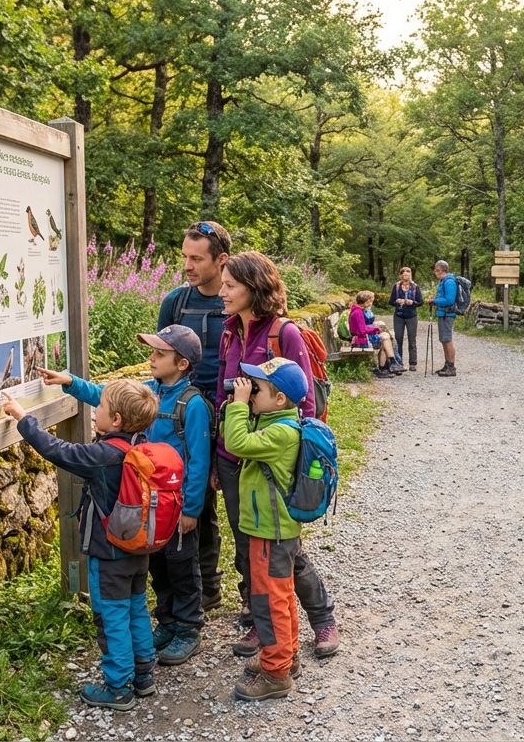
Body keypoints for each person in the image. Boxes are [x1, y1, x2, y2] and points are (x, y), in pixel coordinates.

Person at [34, 325, 211, 667]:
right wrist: (70, 382)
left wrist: (191, 509)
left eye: (160, 353)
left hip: (175, 506)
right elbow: (107, 395)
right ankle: (168, 621)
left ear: (182, 364)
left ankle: (189, 628)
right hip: (144, 505)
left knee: (181, 567)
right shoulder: (148, 392)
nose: (152, 358)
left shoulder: (193, 405)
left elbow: (199, 461)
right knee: (156, 564)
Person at [2, 380, 160, 711]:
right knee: (136, 608)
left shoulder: (104, 455)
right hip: (137, 550)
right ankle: (143, 675)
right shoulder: (142, 445)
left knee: (111, 616)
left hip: (109, 555)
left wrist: (22, 418)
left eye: (99, 408)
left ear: (115, 420)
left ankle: (118, 687)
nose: (95, 412)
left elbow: (59, 451)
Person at [216, 251, 341, 658]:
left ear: (254, 288)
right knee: (247, 549)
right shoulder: (230, 332)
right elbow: (223, 392)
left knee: (286, 550)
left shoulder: (283, 334)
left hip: (274, 462)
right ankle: (260, 622)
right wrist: (221, 455)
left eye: (230, 285)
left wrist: (288, 461)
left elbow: (302, 406)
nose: (222, 291)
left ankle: (322, 619)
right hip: (234, 459)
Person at [221, 357, 309, 701]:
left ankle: (276, 674)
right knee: (282, 595)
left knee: (269, 601)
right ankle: (288, 656)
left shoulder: (281, 432)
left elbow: (236, 443)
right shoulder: (279, 422)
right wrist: (245, 404)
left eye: (258, 388)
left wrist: (238, 406)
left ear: (280, 399)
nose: (251, 391)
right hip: (273, 530)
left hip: (270, 532)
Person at [158, 221, 230, 615]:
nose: (187, 265)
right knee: (195, 502)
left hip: (231, 414)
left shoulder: (238, 297)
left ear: (221, 260)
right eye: (184, 256)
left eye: (196, 258)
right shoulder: (176, 302)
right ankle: (204, 588)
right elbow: (160, 359)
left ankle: (254, 595)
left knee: (236, 507)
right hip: (185, 418)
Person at [350, 291, 400, 377]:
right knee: (385, 337)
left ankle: (385, 367)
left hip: (363, 337)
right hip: (362, 340)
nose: (371, 304)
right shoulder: (358, 312)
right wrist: (375, 328)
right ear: (366, 302)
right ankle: (390, 363)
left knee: (386, 338)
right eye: (371, 301)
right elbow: (362, 330)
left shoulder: (358, 310)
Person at [428, 260, 458, 376]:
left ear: (440, 270)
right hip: (442, 313)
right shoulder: (443, 281)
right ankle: (447, 365)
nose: (435, 272)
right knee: (444, 340)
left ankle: (451, 367)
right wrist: (436, 298)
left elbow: (450, 300)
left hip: (447, 313)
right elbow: (444, 297)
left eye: (436, 270)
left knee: (447, 339)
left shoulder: (449, 281)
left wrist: (434, 301)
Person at [389, 268, 422, 372]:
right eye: (404, 275)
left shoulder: (415, 287)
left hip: (411, 315)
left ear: (411, 275)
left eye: (408, 275)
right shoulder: (396, 286)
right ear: (401, 276)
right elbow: (391, 301)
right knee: (398, 339)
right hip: (399, 315)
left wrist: (412, 302)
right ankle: (399, 362)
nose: (406, 277)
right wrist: (397, 301)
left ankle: (413, 363)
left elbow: (420, 302)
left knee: (412, 340)